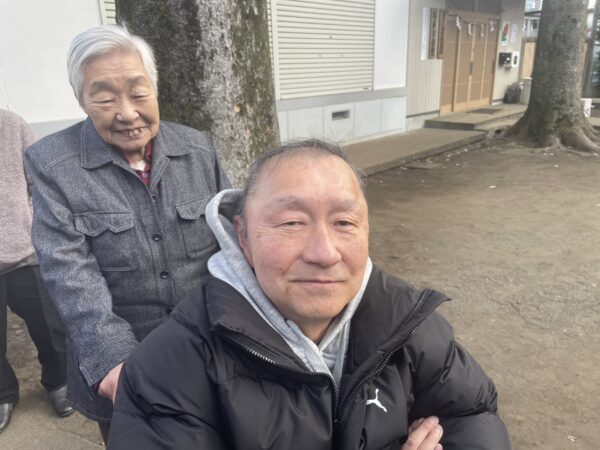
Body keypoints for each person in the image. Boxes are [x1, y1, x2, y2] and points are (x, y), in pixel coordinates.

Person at [108, 140, 512, 449]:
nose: (324, 253)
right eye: (291, 222)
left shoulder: (410, 326)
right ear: (242, 237)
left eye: (344, 222)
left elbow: (472, 416)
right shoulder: (169, 368)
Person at [25, 25, 230, 441]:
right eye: (104, 98)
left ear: (154, 88)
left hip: (208, 347)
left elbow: (233, 245)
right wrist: (115, 360)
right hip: (121, 357)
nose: (127, 113)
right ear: (81, 99)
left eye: (138, 93)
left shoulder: (198, 149)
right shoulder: (51, 163)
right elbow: (68, 270)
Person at [0, 108, 73, 432]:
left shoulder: (10, 124)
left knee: (48, 324)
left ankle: (59, 382)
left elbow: (38, 183)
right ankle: (3, 394)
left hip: (24, 250)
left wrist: (31, 226)